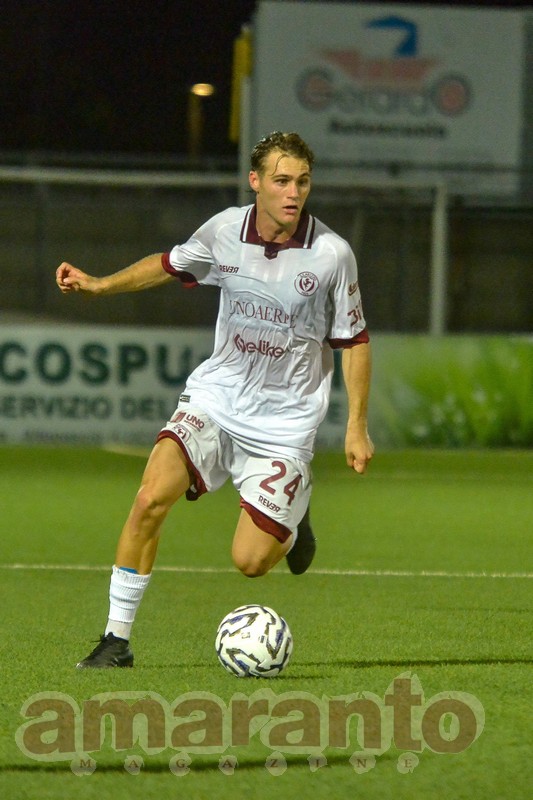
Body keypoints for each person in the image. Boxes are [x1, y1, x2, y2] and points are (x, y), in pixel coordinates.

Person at [56, 131, 374, 669]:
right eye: (281, 181)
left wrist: (356, 426)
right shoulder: (225, 231)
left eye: (302, 182)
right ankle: (116, 640)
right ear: (255, 182)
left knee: (250, 562)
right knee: (150, 498)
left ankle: (294, 519)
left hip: (283, 425)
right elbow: (168, 264)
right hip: (216, 398)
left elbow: (355, 341)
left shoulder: (331, 254)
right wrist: (100, 285)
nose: (293, 193)